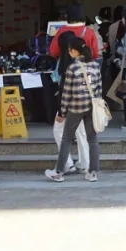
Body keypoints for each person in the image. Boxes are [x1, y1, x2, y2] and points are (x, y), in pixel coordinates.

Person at [46, 37, 102, 183]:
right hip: (91, 107)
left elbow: (66, 93)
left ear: (74, 51)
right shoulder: (95, 66)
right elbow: (99, 89)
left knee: (66, 139)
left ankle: (59, 172)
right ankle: (93, 173)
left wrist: (62, 112)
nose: (69, 52)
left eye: (70, 50)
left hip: (76, 107)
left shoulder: (72, 68)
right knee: (93, 140)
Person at [48, 30, 86, 176]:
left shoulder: (64, 63)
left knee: (58, 131)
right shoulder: (84, 61)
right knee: (81, 133)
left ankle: (67, 164)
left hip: (69, 104)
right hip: (83, 103)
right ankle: (85, 164)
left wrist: (60, 111)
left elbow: (62, 88)